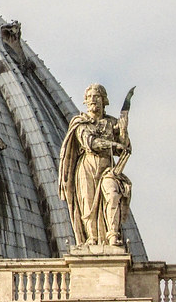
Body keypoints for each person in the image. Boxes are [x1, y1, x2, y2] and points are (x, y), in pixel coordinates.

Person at [58, 84, 132, 247]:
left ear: (104, 100)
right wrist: (113, 146)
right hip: (87, 166)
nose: (93, 100)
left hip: (107, 169)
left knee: (112, 195)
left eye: (97, 97)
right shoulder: (80, 122)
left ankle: (112, 235)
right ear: (85, 101)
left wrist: (123, 131)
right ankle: (91, 238)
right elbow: (89, 142)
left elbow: (126, 148)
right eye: (90, 97)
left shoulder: (112, 123)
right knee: (87, 203)